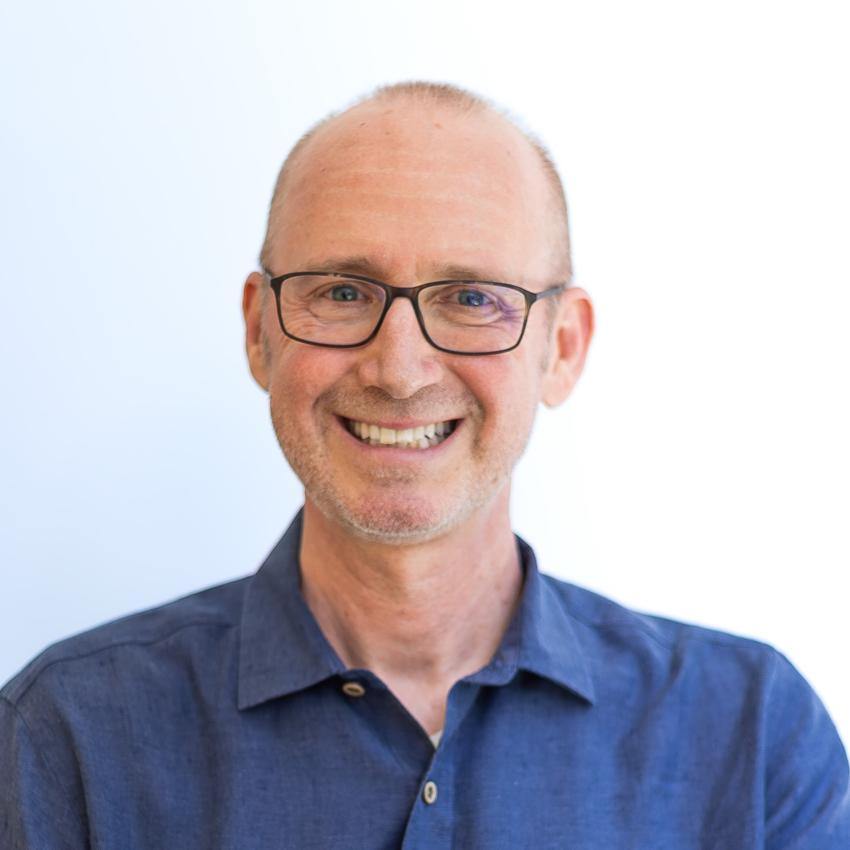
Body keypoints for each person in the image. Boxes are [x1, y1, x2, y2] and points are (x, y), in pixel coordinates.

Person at [1, 81, 848, 849]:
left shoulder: (752, 738)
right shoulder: (67, 740)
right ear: (260, 332)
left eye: (472, 298)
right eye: (342, 292)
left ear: (562, 348)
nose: (399, 371)